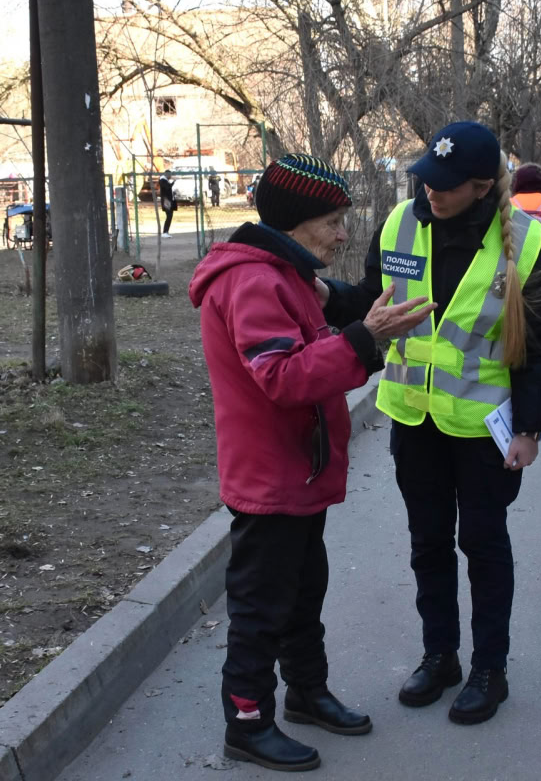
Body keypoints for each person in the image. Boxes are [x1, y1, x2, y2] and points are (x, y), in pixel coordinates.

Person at [189, 153, 434, 772]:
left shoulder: (287, 269)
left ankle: (305, 691)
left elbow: (328, 305)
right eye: (333, 221)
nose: (343, 233)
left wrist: (366, 314)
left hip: (299, 469)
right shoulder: (254, 281)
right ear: (298, 223)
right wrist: (363, 340)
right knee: (260, 604)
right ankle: (247, 721)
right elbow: (280, 376)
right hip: (270, 476)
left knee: (303, 591)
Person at [320, 121, 541, 726]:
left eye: (447, 186)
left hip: (485, 428)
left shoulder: (530, 243)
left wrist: (532, 430)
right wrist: (323, 292)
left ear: (483, 187)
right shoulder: (402, 221)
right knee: (428, 543)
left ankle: (490, 669)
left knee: (482, 546)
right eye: (427, 177)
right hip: (414, 420)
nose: (431, 191)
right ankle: (440, 655)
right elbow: (371, 302)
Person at [158, 169, 176, 237]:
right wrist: (173, 182)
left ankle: (166, 231)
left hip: (168, 199)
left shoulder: (165, 180)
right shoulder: (163, 180)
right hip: (166, 200)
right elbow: (168, 187)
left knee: (170, 215)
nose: (171, 176)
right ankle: (165, 232)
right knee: (169, 215)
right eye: (170, 175)